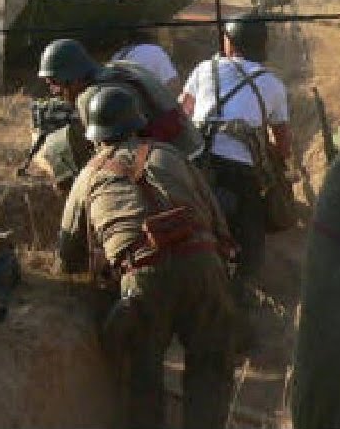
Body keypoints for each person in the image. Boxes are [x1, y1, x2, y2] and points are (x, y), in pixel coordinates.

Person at [58, 86, 236, 429]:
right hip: (203, 264)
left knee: (142, 379)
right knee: (211, 370)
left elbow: (68, 254)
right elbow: (218, 223)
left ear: (95, 135)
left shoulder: (88, 176)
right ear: (138, 123)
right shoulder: (172, 155)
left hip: (142, 278)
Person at [180, 12, 291, 301]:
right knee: (252, 235)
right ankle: (244, 291)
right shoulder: (274, 85)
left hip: (197, 165)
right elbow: (282, 141)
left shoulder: (205, 69)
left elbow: (182, 113)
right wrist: (277, 169)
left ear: (229, 42)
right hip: (241, 172)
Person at [36, 38, 203, 184]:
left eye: (53, 83)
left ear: (71, 79)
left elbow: (106, 158)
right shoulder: (124, 67)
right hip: (193, 147)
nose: (53, 91)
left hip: (174, 166)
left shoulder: (90, 98)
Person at [110, 28, 180, 94]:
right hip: (145, 105)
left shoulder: (118, 55)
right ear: (154, 37)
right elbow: (173, 85)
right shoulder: (155, 51)